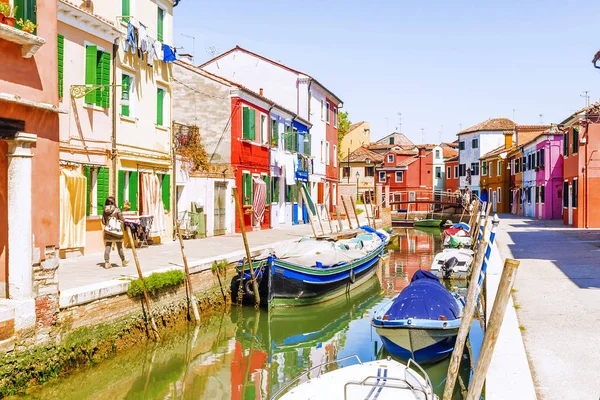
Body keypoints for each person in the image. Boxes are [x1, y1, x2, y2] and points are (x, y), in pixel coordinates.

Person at [102, 196, 129, 269]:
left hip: (108, 231)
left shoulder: (104, 210)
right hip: (117, 231)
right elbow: (122, 219)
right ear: (114, 202)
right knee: (120, 246)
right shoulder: (117, 210)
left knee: (108, 246)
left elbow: (103, 222)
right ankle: (123, 260)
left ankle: (107, 262)